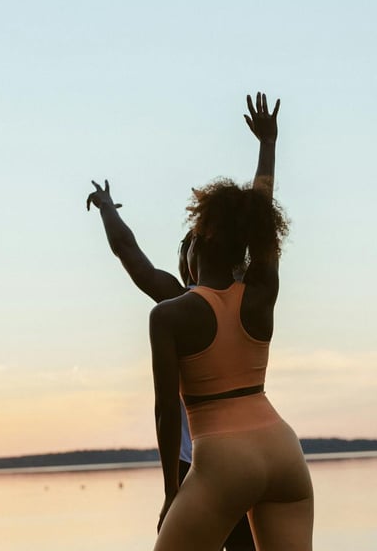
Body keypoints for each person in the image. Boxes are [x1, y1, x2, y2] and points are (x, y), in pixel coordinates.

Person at [86, 92, 280, 550]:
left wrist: (171, 492)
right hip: (246, 451)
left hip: (203, 462)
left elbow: (132, 257)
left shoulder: (179, 306)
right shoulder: (244, 299)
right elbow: (130, 253)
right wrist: (109, 211)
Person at [145, 99, 313, 549]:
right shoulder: (261, 294)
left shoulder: (170, 314)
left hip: (222, 459)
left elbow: (166, 411)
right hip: (283, 453)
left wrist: (170, 493)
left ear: (198, 245)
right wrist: (268, 146)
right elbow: (263, 220)